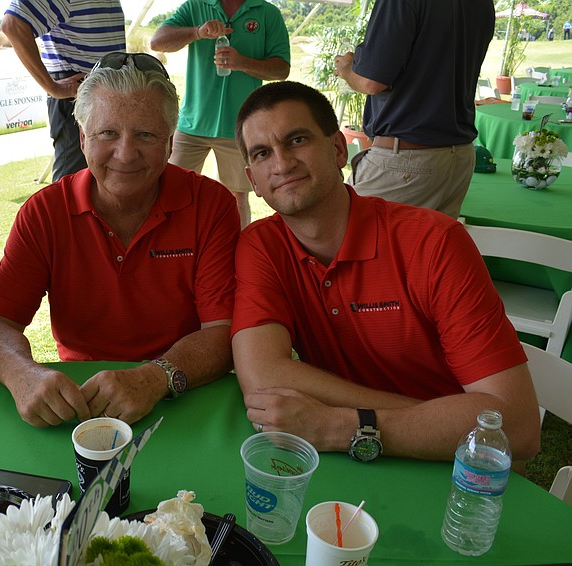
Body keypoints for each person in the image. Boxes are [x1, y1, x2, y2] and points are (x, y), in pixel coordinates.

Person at [230, 80, 542, 463]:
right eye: (263, 153)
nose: (281, 164)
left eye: (297, 140)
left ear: (338, 149)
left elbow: (519, 427)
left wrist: (344, 425)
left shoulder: (434, 243)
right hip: (424, 444)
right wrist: (428, 419)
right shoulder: (261, 245)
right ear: (253, 181)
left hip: (454, 466)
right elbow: (263, 377)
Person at [0, 54, 239, 428]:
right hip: (81, 401)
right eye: (108, 133)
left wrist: (155, 377)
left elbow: (224, 330)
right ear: (83, 139)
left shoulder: (211, 205)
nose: (126, 154)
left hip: (183, 391)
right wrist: (22, 374)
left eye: (146, 135)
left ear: (170, 142)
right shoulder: (45, 212)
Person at [333, 0, 494, 219]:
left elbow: (371, 82)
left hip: (408, 160)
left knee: (343, 231)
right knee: (425, 242)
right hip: (459, 156)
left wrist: (347, 69)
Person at [150, 0, 290, 228]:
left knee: (236, 196)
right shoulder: (196, 6)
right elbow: (157, 42)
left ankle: (239, 247)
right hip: (192, 123)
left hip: (239, 126)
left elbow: (282, 69)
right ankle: (169, 243)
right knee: (170, 189)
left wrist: (242, 62)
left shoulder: (267, 12)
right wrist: (197, 32)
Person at [1, 0, 125, 182]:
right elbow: (13, 24)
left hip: (104, 93)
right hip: (78, 94)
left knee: (99, 181)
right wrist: (53, 87)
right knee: (71, 183)